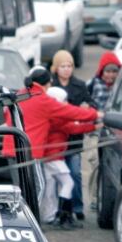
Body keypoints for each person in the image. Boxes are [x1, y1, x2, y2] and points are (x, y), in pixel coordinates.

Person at [2, 68, 100, 203]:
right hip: (30, 152)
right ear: (47, 84)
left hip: (10, 149)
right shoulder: (43, 100)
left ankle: (20, 217)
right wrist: (95, 114)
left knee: (20, 189)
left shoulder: (20, 95)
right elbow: (71, 112)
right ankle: (32, 219)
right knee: (38, 187)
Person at [51, 50, 97, 224]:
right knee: (58, 177)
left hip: (75, 137)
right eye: (63, 66)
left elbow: (90, 103)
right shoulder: (51, 85)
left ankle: (77, 207)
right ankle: (61, 209)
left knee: (76, 173)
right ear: (56, 68)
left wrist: (88, 107)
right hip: (56, 140)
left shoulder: (80, 85)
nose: (66, 69)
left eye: (69, 66)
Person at [40, 87, 87, 229]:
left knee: (49, 189)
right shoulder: (56, 118)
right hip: (53, 157)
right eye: (64, 99)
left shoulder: (50, 116)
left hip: (48, 156)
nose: (66, 102)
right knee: (68, 183)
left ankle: (51, 216)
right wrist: (94, 124)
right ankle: (62, 215)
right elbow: (73, 128)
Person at [85, 52, 120, 210]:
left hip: (115, 133)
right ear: (101, 71)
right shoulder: (92, 84)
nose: (110, 75)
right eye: (107, 71)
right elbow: (83, 106)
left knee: (111, 166)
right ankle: (94, 198)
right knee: (95, 163)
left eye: (114, 71)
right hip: (95, 132)